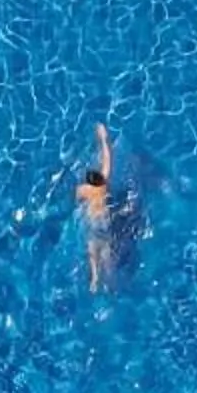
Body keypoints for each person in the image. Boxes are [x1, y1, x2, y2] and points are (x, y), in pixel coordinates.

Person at [77, 122, 114, 292]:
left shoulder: (83, 190)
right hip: (105, 220)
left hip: (93, 221)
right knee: (106, 248)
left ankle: (94, 277)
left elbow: (75, 201)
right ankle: (110, 279)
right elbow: (107, 160)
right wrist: (103, 139)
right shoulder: (103, 185)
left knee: (92, 248)